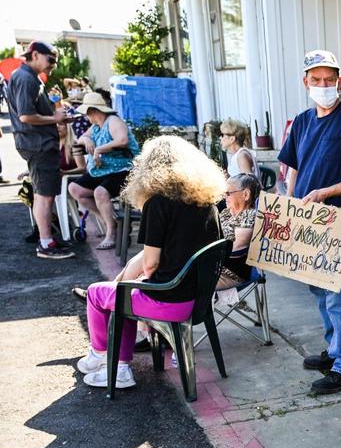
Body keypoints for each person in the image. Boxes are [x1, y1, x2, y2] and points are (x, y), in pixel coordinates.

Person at [75, 135, 224, 389]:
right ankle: (119, 367)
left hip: (168, 301)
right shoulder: (208, 203)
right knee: (127, 290)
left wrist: (137, 278)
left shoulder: (158, 204)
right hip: (197, 301)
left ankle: (102, 356)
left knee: (97, 293)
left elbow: (151, 264)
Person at [278, 49, 341, 395]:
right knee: (318, 289)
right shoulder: (303, 121)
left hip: (336, 222)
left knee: (338, 295)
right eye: (316, 80)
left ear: (339, 80)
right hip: (308, 222)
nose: (323, 85)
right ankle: (334, 348)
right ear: (305, 82)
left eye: (329, 80)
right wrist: (291, 209)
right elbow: (294, 168)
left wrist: (326, 192)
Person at [8, 41, 76, 259]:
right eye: (51, 60)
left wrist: (53, 120)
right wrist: (54, 118)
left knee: (42, 195)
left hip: (36, 142)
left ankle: (46, 240)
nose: (53, 65)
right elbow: (26, 116)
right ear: (35, 55)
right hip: (38, 144)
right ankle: (46, 244)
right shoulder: (26, 78)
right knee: (45, 196)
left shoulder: (28, 77)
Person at [68, 92, 140, 249]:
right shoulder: (96, 127)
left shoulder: (114, 121)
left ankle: (111, 234)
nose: (86, 117)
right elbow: (80, 139)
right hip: (104, 170)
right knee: (75, 189)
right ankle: (111, 223)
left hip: (123, 169)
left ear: (92, 111)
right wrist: (86, 139)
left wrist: (99, 148)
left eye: (87, 113)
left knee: (100, 192)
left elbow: (122, 140)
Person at [216, 172, 260, 290]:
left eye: (228, 193)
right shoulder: (226, 212)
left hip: (228, 274)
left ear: (245, 194)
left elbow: (234, 249)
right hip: (212, 267)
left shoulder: (250, 216)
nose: (224, 197)